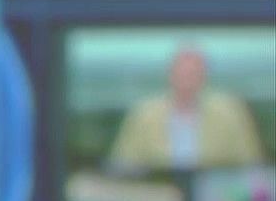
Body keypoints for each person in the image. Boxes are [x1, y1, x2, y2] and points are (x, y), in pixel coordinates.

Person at [107, 45, 267, 172]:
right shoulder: (144, 114)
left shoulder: (230, 112)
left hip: (215, 197)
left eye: (193, 74)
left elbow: (252, 165)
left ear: (204, 76)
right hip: (158, 195)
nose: (187, 81)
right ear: (170, 75)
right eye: (182, 74)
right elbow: (122, 166)